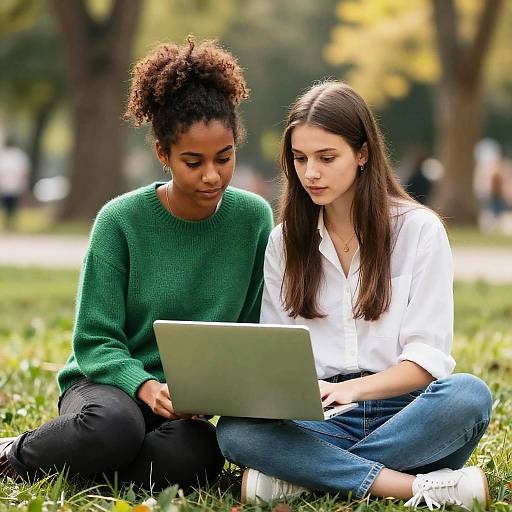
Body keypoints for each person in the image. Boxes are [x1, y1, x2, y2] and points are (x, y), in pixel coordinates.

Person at [0, 37, 273, 492]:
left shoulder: (253, 219)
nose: (212, 175)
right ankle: (15, 453)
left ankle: (88, 469)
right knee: (112, 428)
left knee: (197, 453)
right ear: (163, 155)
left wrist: (208, 395)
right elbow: (93, 340)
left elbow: (248, 329)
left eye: (224, 158)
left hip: (187, 408)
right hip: (108, 389)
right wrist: (144, 385)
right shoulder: (120, 220)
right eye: (193, 162)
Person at [216, 81, 493, 509]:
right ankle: (411, 486)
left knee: (468, 396)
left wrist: (355, 390)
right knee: (235, 430)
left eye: (327, 158)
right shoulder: (285, 243)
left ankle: (306, 477)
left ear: (362, 154)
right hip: (318, 418)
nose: (311, 173)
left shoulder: (419, 231)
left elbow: (427, 361)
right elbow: (276, 356)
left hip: (407, 413)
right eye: (301, 158)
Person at [0, 137, 30, 230]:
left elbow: (23, 170)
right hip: (7, 183)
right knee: (8, 204)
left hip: (12, 183)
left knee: (12, 204)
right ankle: (9, 222)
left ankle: (12, 221)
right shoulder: (7, 155)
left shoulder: (17, 155)